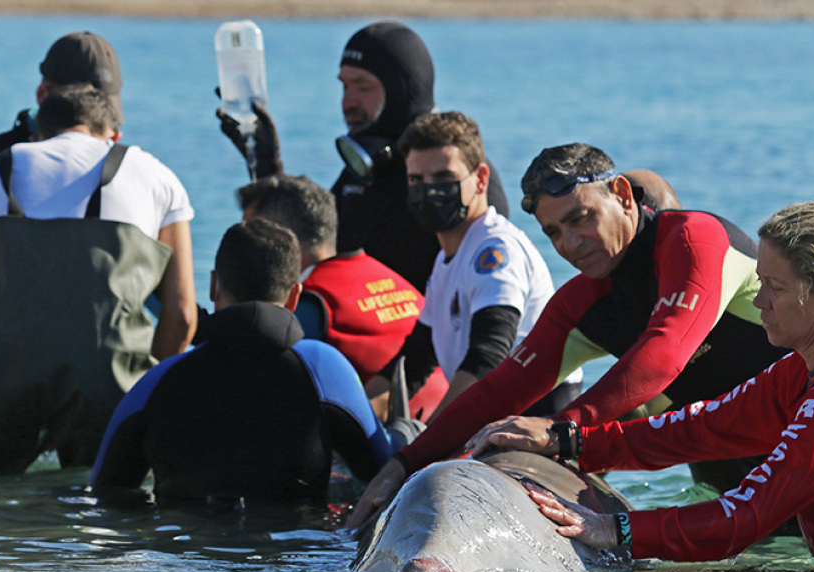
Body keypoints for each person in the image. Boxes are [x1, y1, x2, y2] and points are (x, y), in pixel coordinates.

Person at [483, 201, 814, 572]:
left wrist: (614, 529)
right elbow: (698, 430)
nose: (759, 301)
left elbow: (747, 516)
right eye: (760, 281)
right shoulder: (804, 369)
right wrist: (570, 443)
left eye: (776, 288)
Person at [348, 143, 788, 528]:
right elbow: (499, 391)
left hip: (810, 438)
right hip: (728, 474)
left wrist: (559, 431)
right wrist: (404, 464)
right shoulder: (582, 301)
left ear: (620, 195)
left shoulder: (693, 240)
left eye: (581, 218)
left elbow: (661, 355)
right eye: (554, 232)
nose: (570, 244)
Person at [0, 84, 196, 474]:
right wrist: (145, 398)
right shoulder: (155, 175)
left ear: (38, 133)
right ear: (114, 136)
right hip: (108, 385)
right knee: (106, 513)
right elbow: (182, 314)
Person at [88, 220, 409, 508]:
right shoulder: (324, 368)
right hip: (297, 557)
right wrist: (403, 433)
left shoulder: (158, 380)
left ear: (214, 286)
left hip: (187, 556)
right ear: (295, 296)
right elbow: (385, 472)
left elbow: (104, 489)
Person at [218, 20, 509, 292]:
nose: (348, 101)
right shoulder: (364, 170)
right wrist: (266, 164)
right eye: (344, 86)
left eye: (363, 87)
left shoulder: (461, 180)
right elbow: (299, 251)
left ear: (401, 91)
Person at [363, 111, 582, 422]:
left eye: (443, 178)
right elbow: (412, 363)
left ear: (480, 179)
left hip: (542, 419)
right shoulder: (445, 262)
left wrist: (428, 440)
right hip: (496, 417)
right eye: (416, 180)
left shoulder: (495, 250)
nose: (429, 189)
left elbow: (488, 358)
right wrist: (352, 419)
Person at [0, 31, 125, 333]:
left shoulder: (127, 168)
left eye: (106, 115)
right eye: (88, 114)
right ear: (42, 95)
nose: (109, 133)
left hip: (9, 355)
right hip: (95, 358)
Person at [236, 174, 450, 419]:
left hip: (397, 439)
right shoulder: (389, 276)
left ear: (280, 240)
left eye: (251, 235)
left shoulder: (309, 302)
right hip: (448, 421)